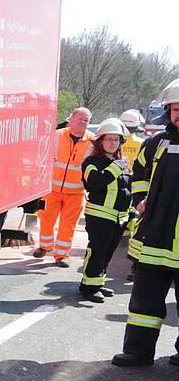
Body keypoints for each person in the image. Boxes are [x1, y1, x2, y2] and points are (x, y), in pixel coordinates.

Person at [113, 78, 179, 366]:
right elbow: (138, 175)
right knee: (144, 300)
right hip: (154, 237)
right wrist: (140, 198)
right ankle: (138, 352)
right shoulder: (155, 143)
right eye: (175, 109)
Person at [77, 118, 131, 302]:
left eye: (116, 140)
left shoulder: (121, 162)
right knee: (97, 251)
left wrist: (130, 211)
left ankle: (98, 282)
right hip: (99, 217)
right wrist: (114, 169)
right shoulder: (92, 162)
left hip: (118, 218)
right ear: (100, 141)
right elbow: (94, 184)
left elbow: (125, 189)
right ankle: (88, 287)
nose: (112, 143)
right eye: (109, 139)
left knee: (108, 252)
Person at [33, 107, 94, 267]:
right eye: (80, 119)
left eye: (86, 120)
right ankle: (45, 246)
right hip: (51, 189)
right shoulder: (57, 135)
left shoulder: (92, 142)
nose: (83, 122)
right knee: (46, 219)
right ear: (71, 119)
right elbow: (43, 156)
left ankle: (62, 255)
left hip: (75, 192)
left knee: (68, 224)